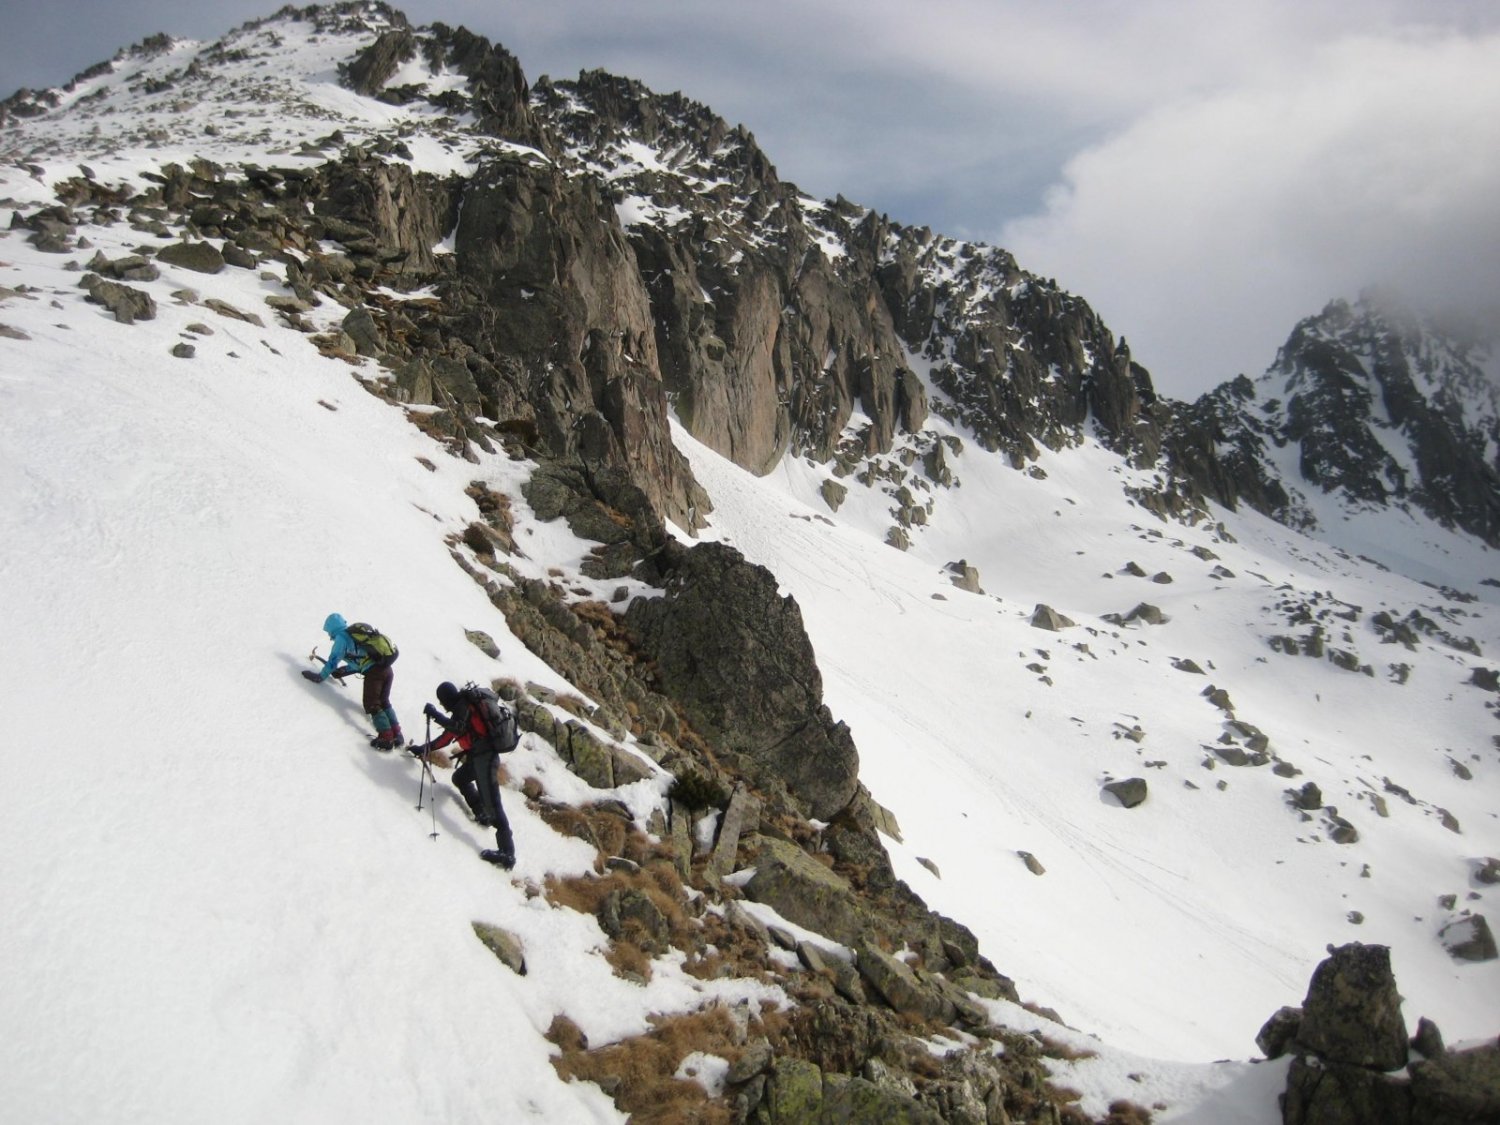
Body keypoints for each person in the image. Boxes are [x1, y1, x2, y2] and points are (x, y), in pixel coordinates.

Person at [416, 681, 516, 869]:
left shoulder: (462, 708)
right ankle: (481, 813)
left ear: (445, 699)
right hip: (481, 757)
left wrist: (435, 715)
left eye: (441, 701)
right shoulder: (463, 707)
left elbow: (456, 728)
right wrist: (423, 749)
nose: (442, 705)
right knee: (460, 778)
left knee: (494, 806)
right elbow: (448, 736)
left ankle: (507, 853)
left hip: (484, 759)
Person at [301, 613, 404, 750]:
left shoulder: (341, 638)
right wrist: (345, 670)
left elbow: (333, 661)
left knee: (372, 703)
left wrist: (321, 676)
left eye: (328, 631)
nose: (328, 635)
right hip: (386, 669)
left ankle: (386, 738)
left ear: (332, 628)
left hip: (375, 674)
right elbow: (362, 660)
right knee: (384, 701)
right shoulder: (355, 635)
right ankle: (397, 734)